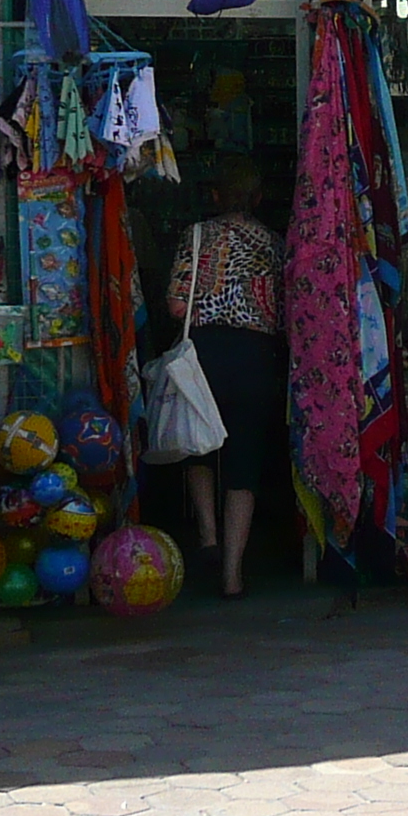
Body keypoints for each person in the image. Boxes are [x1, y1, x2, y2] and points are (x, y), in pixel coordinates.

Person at [165, 154, 284, 595]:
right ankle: (233, 574)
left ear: (214, 195)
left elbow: (176, 304)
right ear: (258, 197)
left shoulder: (196, 237)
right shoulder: (276, 244)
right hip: (255, 355)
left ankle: (208, 537)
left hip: (204, 353)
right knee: (244, 461)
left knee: (197, 443)